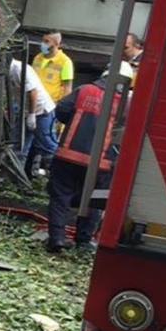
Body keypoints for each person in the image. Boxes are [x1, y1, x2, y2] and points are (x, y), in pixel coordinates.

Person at [45, 61, 134, 253]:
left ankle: (57, 239)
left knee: (60, 197)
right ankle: (83, 241)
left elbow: (62, 111)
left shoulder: (84, 90)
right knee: (94, 202)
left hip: (67, 156)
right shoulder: (126, 103)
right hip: (101, 163)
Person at [9, 59, 58, 178]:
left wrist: (32, 115)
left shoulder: (18, 69)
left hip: (42, 111)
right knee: (18, 146)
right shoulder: (7, 70)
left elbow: (33, 92)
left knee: (48, 147)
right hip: (25, 111)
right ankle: (17, 179)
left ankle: (57, 178)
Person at [32, 30, 74, 102]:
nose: (43, 44)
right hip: (34, 101)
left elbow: (67, 89)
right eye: (43, 41)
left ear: (57, 44)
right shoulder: (38, 58)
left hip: (51, 104)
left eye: (47, 41)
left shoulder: (65, 62)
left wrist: (60, 107)